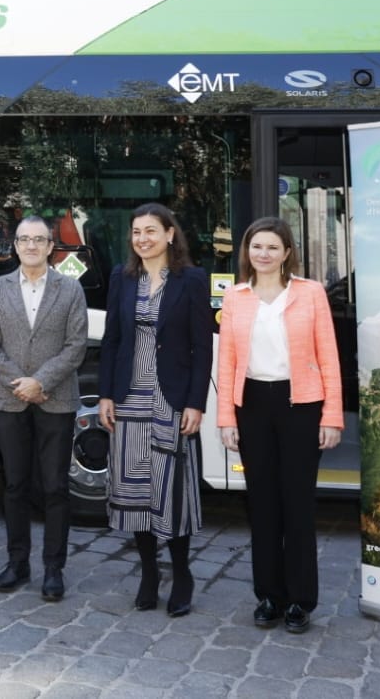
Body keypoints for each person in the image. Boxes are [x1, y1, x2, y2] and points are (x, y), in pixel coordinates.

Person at [217, 217, 342, 635]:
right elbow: (228, 361)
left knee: (298, 506)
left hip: (301, 405)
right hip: (252, 404)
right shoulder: (235, 297)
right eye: (257, 247)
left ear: (287, 252)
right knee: (263, 505)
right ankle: (269, 596)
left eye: (273, 247)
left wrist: (332, 416)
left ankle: (300, 601)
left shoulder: (310, 294)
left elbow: (329, 358)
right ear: (246, 252)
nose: (264, 254)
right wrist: (226, 419)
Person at [98, 203, 213, 616]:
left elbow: (203, 347)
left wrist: (196, 403)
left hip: (171, 398)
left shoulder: (192, 280)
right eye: (136, 232)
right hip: (130, 398)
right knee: (134, 490)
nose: (142, 239)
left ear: (169, 234)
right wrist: (107, 394)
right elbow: (111, 340)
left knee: (172, 489)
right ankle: (149, 572)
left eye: (150, 231)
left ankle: (181, 573)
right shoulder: (121, 277)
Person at [0, 215, 89, 602]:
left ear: (50, 246)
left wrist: (41, 382)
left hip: (55, 400)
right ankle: (17, 562)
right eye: (23, 239)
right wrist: (21, 384)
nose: (30, 246)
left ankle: (53, 568)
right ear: (15, 246)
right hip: (10, 400)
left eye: (38, 240)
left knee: (56, 487)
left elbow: (77, 345)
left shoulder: (70, 289)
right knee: (15, 485)